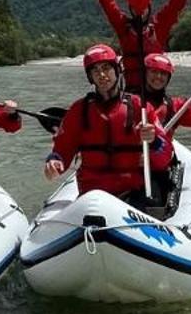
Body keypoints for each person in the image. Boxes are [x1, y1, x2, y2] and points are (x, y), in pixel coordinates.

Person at [42, 43, 157, 206]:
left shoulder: (140, 107)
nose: (102, 75)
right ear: (90, 77)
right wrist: (55, 161)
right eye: (95, 71)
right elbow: (63, 148)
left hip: (132, 192)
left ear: (117, 70)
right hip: (92, 194)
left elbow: (164, 152)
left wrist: (154, 140)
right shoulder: (78, 110)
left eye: (106, 68)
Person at [93, 0, 191, 92]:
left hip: (155, 90)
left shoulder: (158, 25)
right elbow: (109, 6)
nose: (139, 10)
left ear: (148, 8)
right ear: (130, 9)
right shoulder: (123, 27)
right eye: (134, 7)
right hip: (131, 90)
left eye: (143, 7)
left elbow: (174, 6)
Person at [138, 50, 191, 180]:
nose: (159, 77)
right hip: (132, 165)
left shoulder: (175, 106)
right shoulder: (131, 102)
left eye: (163, 74)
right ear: (145, 74)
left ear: (168, 78)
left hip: (159, 167)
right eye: (154, 72)